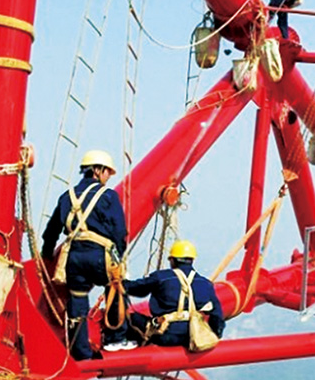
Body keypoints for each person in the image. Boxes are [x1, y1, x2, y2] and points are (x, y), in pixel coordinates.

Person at [42, 150, 134, 360]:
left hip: (74, 257)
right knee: (116, 287)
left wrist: (47, 255)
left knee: (77, 299)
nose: (108, 177)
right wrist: (118, 255)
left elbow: (52, 230)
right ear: (97, 170)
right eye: (107, 172)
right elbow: (120, 231)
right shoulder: (108, 196)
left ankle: (80, 350)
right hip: (99, 254)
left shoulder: (67, 197)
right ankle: (116, 339)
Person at [124, 239, 225, 348]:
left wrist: (118, 282)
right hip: (193, 336)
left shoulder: (161, 278)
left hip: (166, 336)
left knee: (129, 317)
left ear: (172, 260)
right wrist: (215, 334)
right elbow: (217, 315)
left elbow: (136, 288)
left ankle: (127, 345)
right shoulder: (205, 284)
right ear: (192, 260)